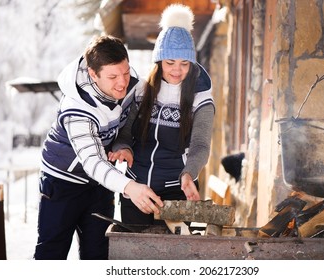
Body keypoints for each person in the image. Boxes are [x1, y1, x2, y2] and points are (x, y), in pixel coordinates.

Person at [34, 35, 163, 260]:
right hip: (63, 183)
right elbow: (92, 161)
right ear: (93, 74)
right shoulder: (76, 108)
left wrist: (124, 145)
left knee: (99, 254)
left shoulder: (132, 84)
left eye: (125, 72)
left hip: (99, 182)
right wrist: (130, 187)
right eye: (112, 76)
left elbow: (133, 123)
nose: (122, 82)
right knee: (51, 255)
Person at [109, 4, 215, 226]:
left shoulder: (200, 98)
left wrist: (189, 173)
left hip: (175, 191)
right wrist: (123, 148)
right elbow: (125, 132)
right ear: (158, 61)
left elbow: (200, 146)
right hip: (136, 190)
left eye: (184, 63)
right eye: (170, 63)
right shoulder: (140, 90)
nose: (177, 70)